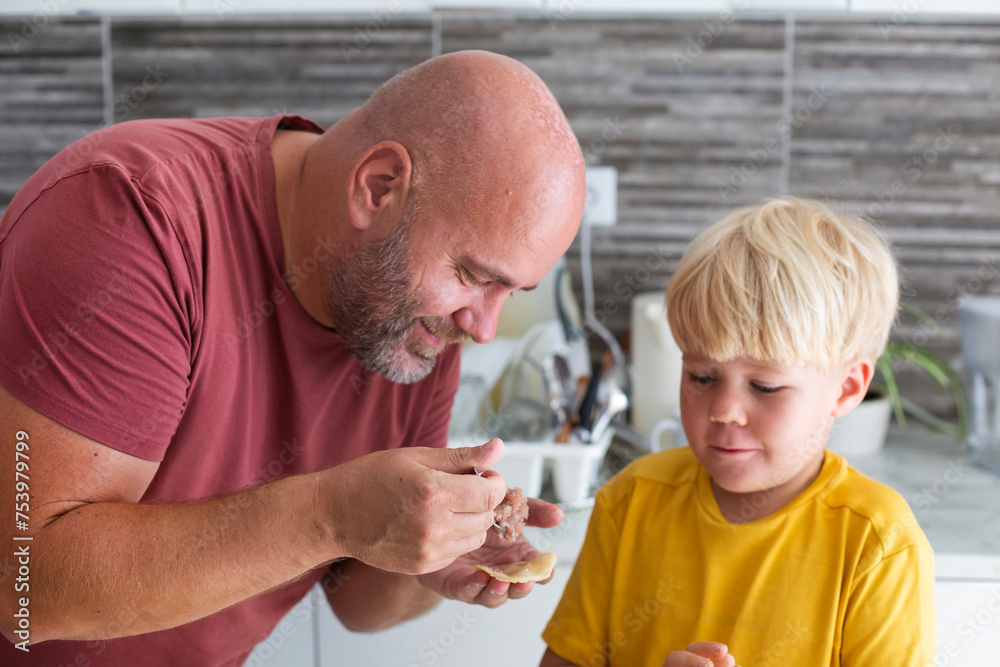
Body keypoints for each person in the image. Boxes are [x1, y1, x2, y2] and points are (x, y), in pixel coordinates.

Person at [0, 50, 585, 665]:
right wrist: (330, 515)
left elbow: (357, 605)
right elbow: (25, 590)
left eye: (509, 292)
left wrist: (430, 552)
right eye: (471, 274)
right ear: (378, 186)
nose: (485, 328)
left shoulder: (417, 326)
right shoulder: (132, 218)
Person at [540, 197, 936, 667]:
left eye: (765, 386)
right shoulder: (630, 501)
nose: (724, 410)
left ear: (846, 389)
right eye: (701, 377)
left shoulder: (878, 543)